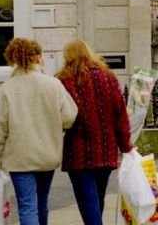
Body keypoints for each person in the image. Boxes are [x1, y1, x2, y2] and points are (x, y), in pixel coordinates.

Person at [0, 38, 78, 225]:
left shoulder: (7, 89)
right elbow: (69, 117)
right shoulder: (53, 84)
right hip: (46, 154)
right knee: (41, 202)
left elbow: (0, 127)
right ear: (38, 58)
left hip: (19, 157)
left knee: (27, 206)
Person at [56, 39, 134, 225]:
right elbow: (120, 114)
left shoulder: (63, 81)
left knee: (87, 201)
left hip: (78, 152)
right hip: (105, 150)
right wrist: (126, 146)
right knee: (97, 199)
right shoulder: (108, 77)